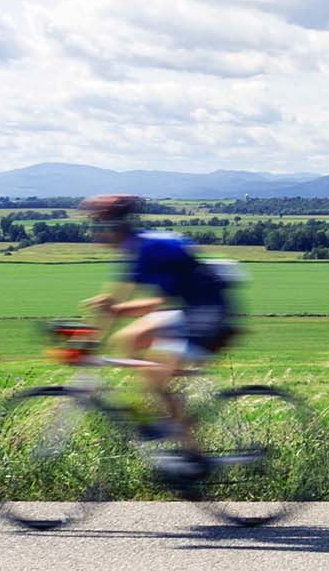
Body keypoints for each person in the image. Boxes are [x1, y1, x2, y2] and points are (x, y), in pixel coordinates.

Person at [78, 193, 239, 478]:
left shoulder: (147, 249)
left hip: (209, 314)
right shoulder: (137, 248)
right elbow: (119, 306)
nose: (95, 235)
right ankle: (165, 410)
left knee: (155, 366)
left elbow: (139, 304)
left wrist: (93, 336)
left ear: (113, 227)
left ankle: (191, 453)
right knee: (129, 339)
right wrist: (92, 339)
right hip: (191, 309)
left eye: (98, 227)